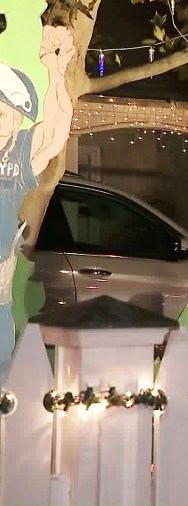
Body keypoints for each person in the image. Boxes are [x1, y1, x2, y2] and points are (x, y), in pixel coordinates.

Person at [0, 25, 74, 370]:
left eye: (1, 113)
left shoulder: (21, 153)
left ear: (17, 119)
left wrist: (56, 72)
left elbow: (57, 129)